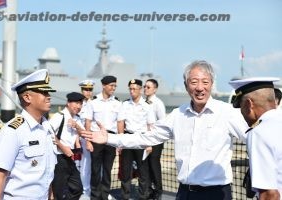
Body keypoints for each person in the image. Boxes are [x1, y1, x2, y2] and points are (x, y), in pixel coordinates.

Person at [82, 60, 249, 200]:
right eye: (194, 82)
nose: (199, 87)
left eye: (205, 82)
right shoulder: (178, 115)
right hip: (184, 193)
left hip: (216, 193)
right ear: (186, 85)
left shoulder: (227, 113)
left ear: (212, 84)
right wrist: (110, 139)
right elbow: (146, 138)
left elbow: (253, 138)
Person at [0, 69, 58, 199]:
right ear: (27, 97)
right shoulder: (13, 131)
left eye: (48, 92)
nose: (49, 96)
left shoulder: (47, 127)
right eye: (43, 92)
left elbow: (46, 174)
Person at [229, 77, 282, 200]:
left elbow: (269, 193)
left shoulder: (259, 132)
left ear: (249, 104)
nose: (241, 113)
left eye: (240, 106)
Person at [84, 75, 122, 200]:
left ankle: (104, 195)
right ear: (104, 86)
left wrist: (119, 142)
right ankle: (95, 196)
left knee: (107, 169)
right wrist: (88, 141)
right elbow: (88, 122)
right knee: (95, 169)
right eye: (111, 85)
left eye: (115, 86)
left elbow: (119, 123)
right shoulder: (93, 102)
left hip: (110, 139)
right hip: (96, 139)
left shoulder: (117, 103)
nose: (113, 88)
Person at [118, 79, 155, 200]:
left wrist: (149, 144)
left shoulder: (147, 106)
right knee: (125, 171)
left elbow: (151, 125)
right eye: (130, 89)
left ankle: (143, 196)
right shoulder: (125, 104)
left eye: (134, 89)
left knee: (143, 171)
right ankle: (125, 196)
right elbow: (120, 122)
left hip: (141, 139)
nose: (132, 91)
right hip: (128, 138)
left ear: (140, 90)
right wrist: (120, 141)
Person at [49, 92, 84, 200]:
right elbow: (48, 133)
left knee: (77, 188)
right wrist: (62, 147)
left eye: (80, 103)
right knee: (58, 191)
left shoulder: (77, 118)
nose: (78, 106)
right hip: (58, 157)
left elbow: (83, 133)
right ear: (68, 103)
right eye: (76, 103)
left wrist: (76, 126)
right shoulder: (59, 116)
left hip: (69, 157)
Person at [143, 78, 166, 200]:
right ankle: (149, 190)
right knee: (145, 165)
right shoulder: (143, 102)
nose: (145, 89)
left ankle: (158, 191)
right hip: (145, 139)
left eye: (148, 87)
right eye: (145, 87)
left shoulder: (158, 103)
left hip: (156, 140)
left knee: (154, 165)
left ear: (155, 89)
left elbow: (162, 122)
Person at [78, 79, 95, 198]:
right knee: (83, 165)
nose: (88, 92)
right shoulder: (78, 105)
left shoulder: (95, 103)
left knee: (94, 166)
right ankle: (84, 190)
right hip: (81, 139)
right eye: (85, 89)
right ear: (81, 90)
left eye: (90, 89)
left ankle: (91, 189)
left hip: (93, 137)